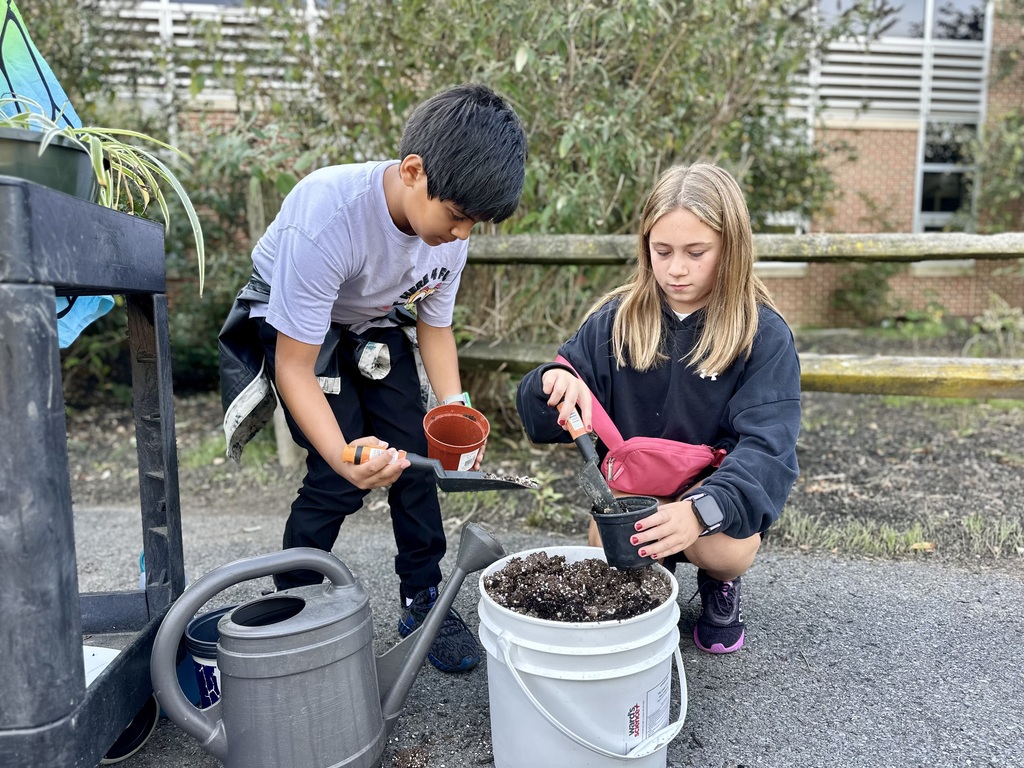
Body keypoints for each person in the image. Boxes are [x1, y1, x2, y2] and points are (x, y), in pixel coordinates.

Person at [218, 83, 527, 673]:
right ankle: (295, 603)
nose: (464, 236)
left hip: (372, 313)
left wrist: (455, 408)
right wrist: (340, 453)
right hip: (295, 325)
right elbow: (294, 365)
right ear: (413, 171)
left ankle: (423, 597)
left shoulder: (449, 236)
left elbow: (434, 328)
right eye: (458, 217)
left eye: (476, 224)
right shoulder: (327, 216)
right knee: (343, 476)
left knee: (414, 456)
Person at [515, 162, 800, 654]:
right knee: (610, 550)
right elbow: (544, 422)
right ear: (645, 245)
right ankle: (654, 571)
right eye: (662, 251)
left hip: (710, 501)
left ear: (731, 249)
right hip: (636, 496)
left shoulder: (765, 335)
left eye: (697, 252)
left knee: (723, 548)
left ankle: (718, 581)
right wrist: (550, 382)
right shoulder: (614, 322)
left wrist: (700, 512)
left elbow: (767, 452)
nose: (677, 269)